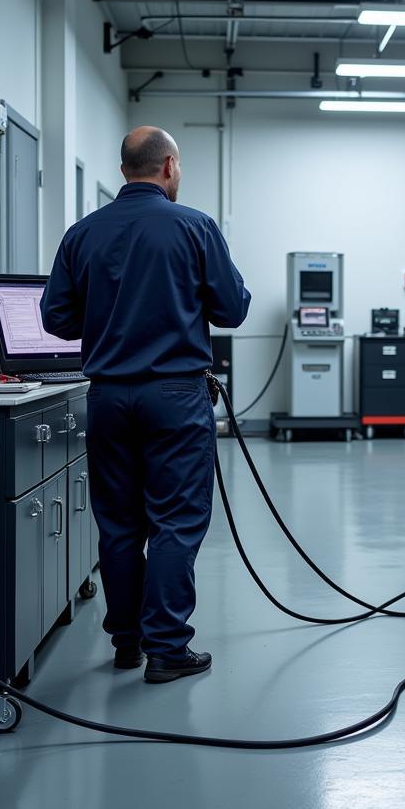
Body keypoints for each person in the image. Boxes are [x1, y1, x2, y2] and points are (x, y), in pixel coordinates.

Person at [41, 127, 250, 684]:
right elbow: (232, 311)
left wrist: (107, 316)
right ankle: (167, 649)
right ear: (169, 167)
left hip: (107, 397)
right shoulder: (195, 227)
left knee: (118, 524)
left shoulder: (81, 234)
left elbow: (55, 319)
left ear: (124, 168)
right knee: (176, 523)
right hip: (176, 398)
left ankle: (127, 643)